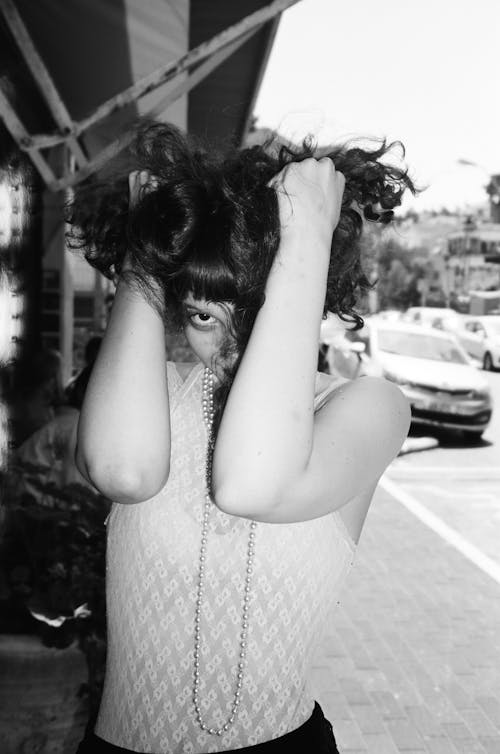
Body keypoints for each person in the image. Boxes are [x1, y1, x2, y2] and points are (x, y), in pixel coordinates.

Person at [69, 122, 414, 753]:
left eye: (250, 312)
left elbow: (253, 482)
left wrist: (306, 237)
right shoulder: (152, 392)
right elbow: (123, 472)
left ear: (305, 294)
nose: (225, 343)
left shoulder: (365, 406)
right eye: (203, 314)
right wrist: (145, 256)